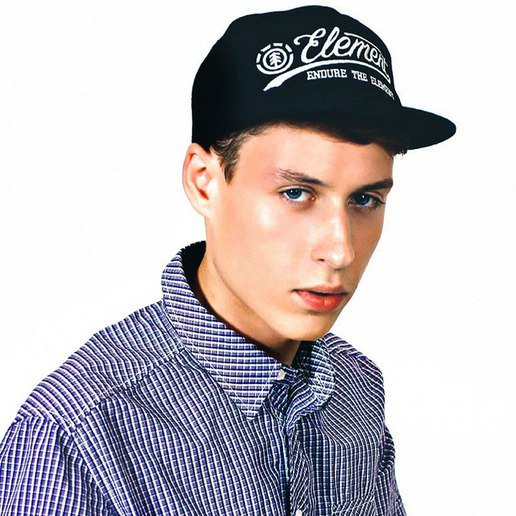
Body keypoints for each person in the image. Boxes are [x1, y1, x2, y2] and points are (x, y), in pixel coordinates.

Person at [0, 5, 455, 516]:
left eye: (365, 199)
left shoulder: (355, 388)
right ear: (204, 182)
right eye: (296, 193)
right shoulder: (75, 437)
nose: (340, 249)